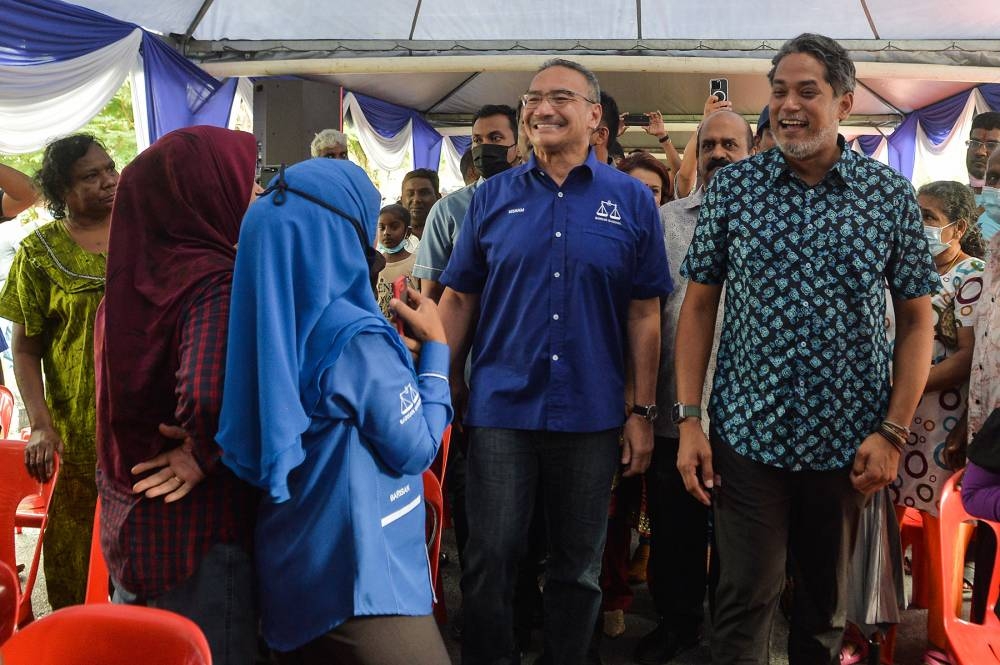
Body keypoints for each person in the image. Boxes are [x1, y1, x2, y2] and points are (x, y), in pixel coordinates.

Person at [674, 33, 938, 665]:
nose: (788, 105)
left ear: (844, 102)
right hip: (748, 437)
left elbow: (916, 321)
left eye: (807, 91)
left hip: (849, 445)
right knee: (743, 600)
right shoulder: (735, 190)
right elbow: (699, 306)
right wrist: (689, 421)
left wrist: (893, 433)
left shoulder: (887, 195)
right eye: (779, 91)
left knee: (823, 609)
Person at [439, 58, 672, 665]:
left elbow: (644, 313)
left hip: (592, 414)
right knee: (490, 559)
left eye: (560, 97)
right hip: (500, 411)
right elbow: (459, 299)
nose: (541, 108)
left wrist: (642, 411)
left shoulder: (631, 200)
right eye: (532, 99)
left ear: (594, 116)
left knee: (578, 568)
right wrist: (441, 383)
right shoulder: (491, 197)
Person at [216, 158, 452, 665]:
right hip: (362, 574)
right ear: (345, 235)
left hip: (287, 559)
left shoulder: (259, 320)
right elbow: (416, 448)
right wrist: (436, 352)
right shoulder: (357, 337)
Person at [95, 126, 261, 664]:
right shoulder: (214, 280)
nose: (256, 194)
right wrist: (201, 452)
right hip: (196, 536)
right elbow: (207, 397)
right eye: (245, 181)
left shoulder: (123, 282)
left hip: (131, 521)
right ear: (205, 192)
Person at [632, 109, 754, 665]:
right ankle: (677, 626)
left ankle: (729, 637)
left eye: (731, 145)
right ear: (696, 154)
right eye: (709, 145)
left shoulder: (772, 219)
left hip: (749, 412)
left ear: (752, 153)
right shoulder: (666, 222)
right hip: (674, 406)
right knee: (674, 530)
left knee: (739, 538)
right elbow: (644, 311)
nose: (719, 154)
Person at [0, 134, 118, 608]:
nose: (109, 181)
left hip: (145, 427)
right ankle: (78, 634)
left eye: (110, 168)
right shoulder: (39, 253)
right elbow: (25, 349)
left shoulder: (146, 233)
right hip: (75, 434)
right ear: (61, 190)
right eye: (91, 176)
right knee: (75, 548)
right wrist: (41, 426)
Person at [598, 148, 677, 640]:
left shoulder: (678, 237)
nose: (645, 199)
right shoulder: (603, 241)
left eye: (654, 192)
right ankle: (606, 595)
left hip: (661, 396)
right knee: (606, 513)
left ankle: (624, 590)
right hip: (606, 393)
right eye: (636, 190)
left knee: (645, 509)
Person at [414, 104, 519, 303]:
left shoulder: (536, 201)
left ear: (519, 145)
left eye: (495, 138)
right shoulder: (447, 209)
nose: (484, 147)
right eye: (477, 140)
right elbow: (430, 293)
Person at [374, 203, 418, 318]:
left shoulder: (416, 263)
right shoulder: (374, 263)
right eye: (382, 227)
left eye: (394, 227)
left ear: (407, 232)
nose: (386, 233)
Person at [400, 168, 441, 248]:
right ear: (401, 199)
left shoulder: (450, 235)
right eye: (410, 194)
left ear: (438, 197)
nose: (416, 199)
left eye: (424, 193)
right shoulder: (387, 236)